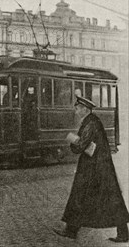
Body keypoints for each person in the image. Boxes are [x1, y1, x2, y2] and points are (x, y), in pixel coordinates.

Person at [54, 96, 129, 243]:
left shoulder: (90, 123)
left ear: (84, 109)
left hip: (94, 168)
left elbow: (81, 145)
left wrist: (72, 140)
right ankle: (123, 232)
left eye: (77, 108)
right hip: (99, 166)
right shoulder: (92, 121)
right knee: (107, 197)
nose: (75, 111)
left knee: (81, 195)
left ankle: (71, 231)